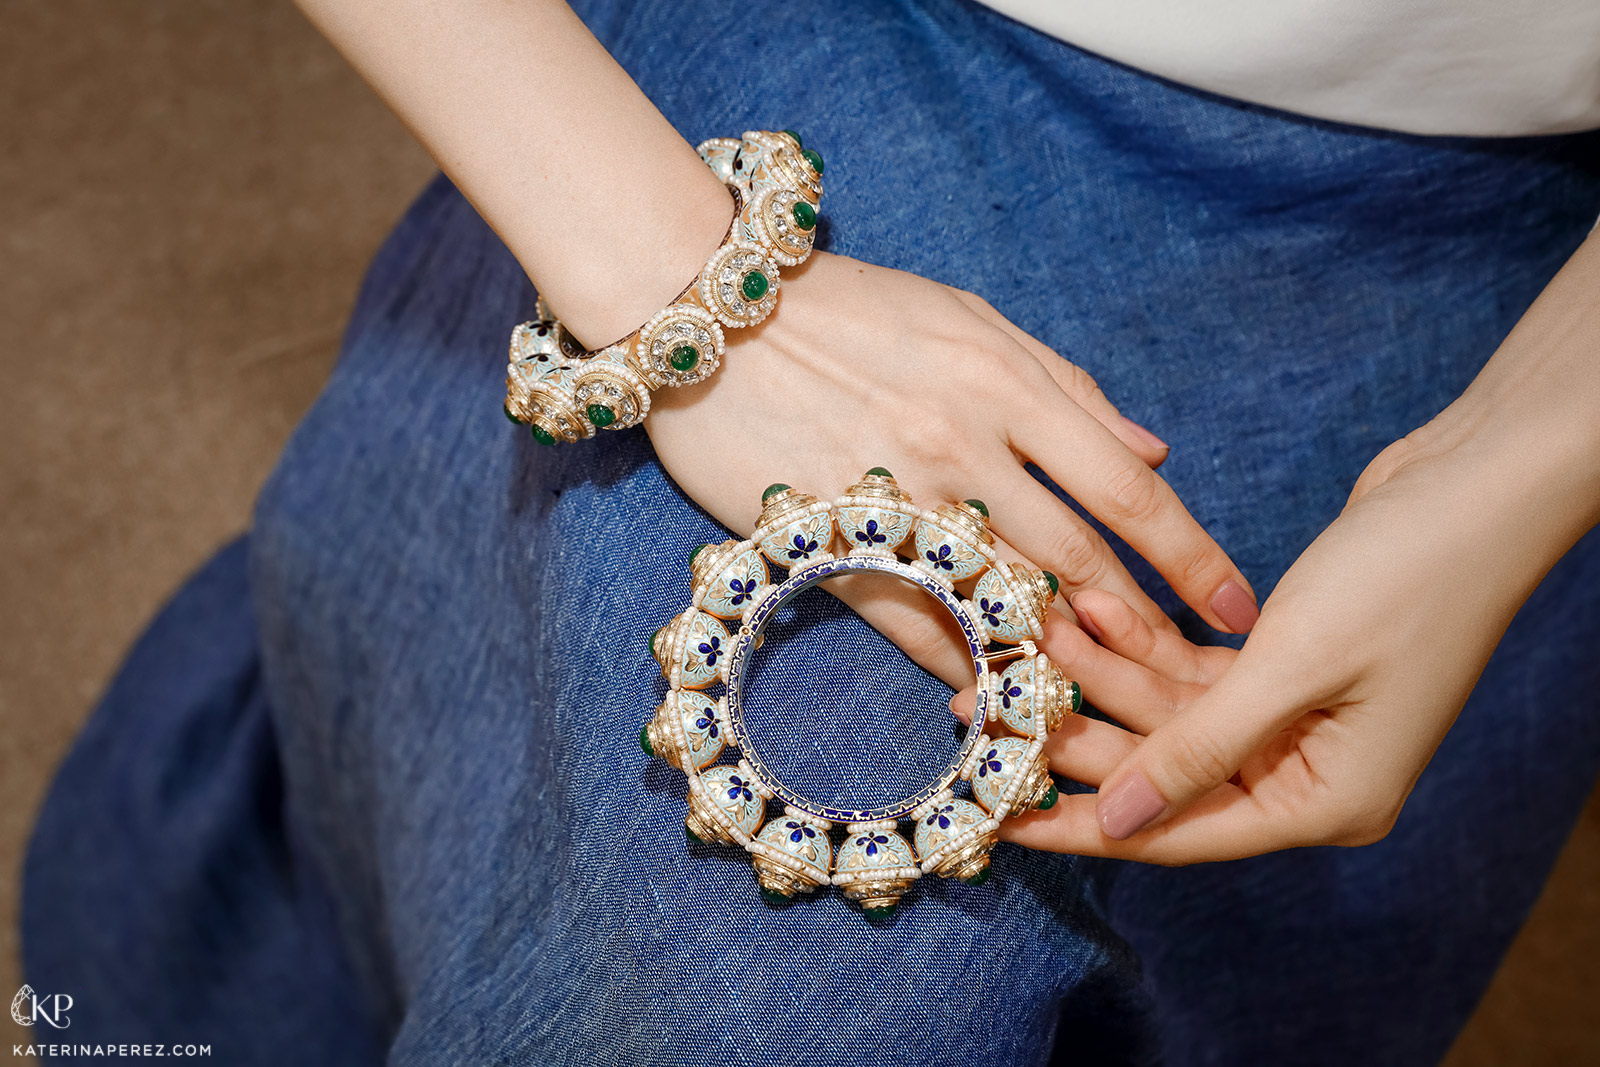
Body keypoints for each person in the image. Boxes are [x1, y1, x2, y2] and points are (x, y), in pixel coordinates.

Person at [22, 1, 1600, 1064]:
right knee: (757, 957)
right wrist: (681, 277)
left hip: (1507, 198)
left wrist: (1509, 459)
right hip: (859, 45)